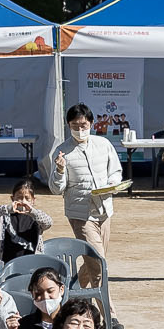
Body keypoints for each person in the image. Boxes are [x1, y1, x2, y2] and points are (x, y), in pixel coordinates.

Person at [47, 101, 123, 299]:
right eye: (75, 126)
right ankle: (109, 314)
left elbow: (115, 171)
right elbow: (56, 189)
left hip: (104, 210)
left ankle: (71, 291)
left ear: (91, 124)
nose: (80, 130)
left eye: (83, 125)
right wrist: (60, 169)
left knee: (93, 260)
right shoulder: (62, 151)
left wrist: (112, 184)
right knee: (99, 263)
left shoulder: (103, 144)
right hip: (80, 213)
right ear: (68, 125)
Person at [0, 177, 54, 262]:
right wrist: (7, 208)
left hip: (33, 261)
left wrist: (32, 211)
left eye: (27, 198)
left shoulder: (36, 217)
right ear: (12, 198)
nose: (23, 201)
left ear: (33, 201)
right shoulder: (4, 216)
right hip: (8, 261)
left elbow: (49, 222)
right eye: (19, 197)